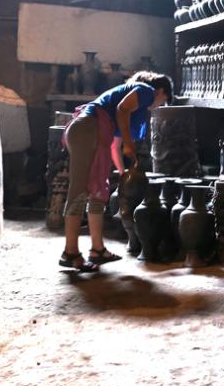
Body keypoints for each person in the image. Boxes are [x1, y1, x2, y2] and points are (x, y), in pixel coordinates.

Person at [60, 71, 173, 271]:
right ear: (161, 91)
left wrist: (123, 174)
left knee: (98, 192)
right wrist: (129, 143)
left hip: (94, 133)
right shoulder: (146, 91)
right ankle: (70, 253)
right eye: (163, 101)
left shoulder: (127, 109)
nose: (157, 106)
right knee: (78, 191)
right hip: (86, 129)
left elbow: (115, 146)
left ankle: (97, 249)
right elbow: (122, 109)